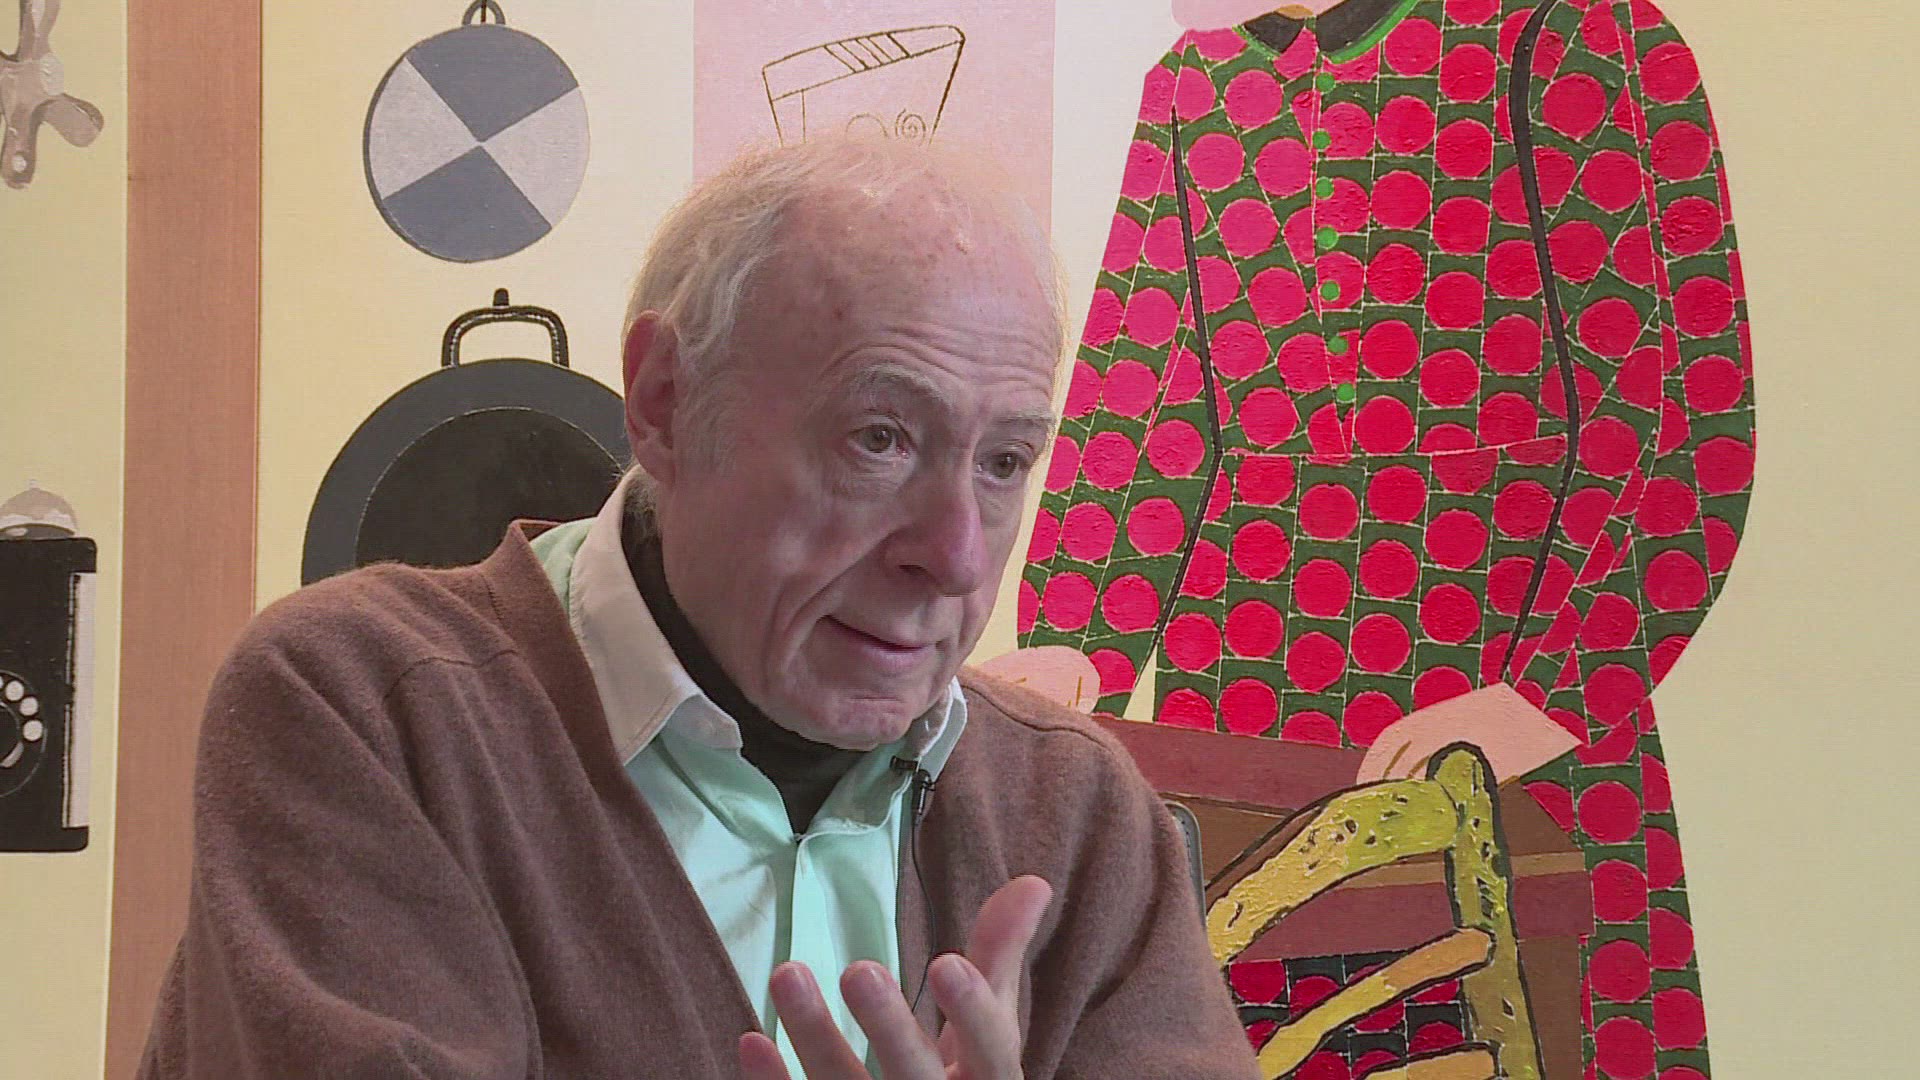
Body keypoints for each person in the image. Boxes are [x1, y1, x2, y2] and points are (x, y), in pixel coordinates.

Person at [138, 135, 1260, 1079]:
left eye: (1005, 462)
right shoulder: (373, 710)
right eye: (881, 438)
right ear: (667, 403)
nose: (959, 556)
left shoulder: (1079, 817)